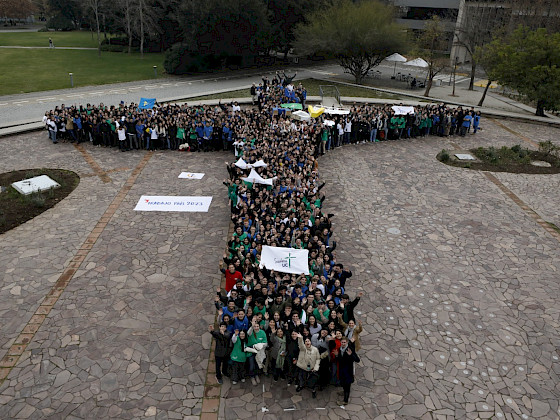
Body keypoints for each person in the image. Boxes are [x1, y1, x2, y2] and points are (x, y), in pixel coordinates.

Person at [295, 332, 321, 398]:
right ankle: (301, 386)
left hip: (312, 369)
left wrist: (315, 368)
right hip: (303, 367)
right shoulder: (302, 349)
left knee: (313, 380)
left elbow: (318, 359)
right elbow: (301, 344)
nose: (307, 342)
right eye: (305, 341)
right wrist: (300, 338)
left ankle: (313, 390)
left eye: (308, 341)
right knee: (301, 378)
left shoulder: (315, 349)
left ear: (310, 342)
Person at [336, 337, 360, 406]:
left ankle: (345, 401)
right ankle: (344, 392)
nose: (343, 344)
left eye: (344, 342)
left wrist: (351, 355)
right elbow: (340, 360)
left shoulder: (350, 349)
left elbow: (357, 360)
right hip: (342, 371)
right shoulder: (340, 349)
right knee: (343, 383)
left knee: (347, 387)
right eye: (342, 342)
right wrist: (337, 355)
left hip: (348, 372)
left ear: (347, 342)